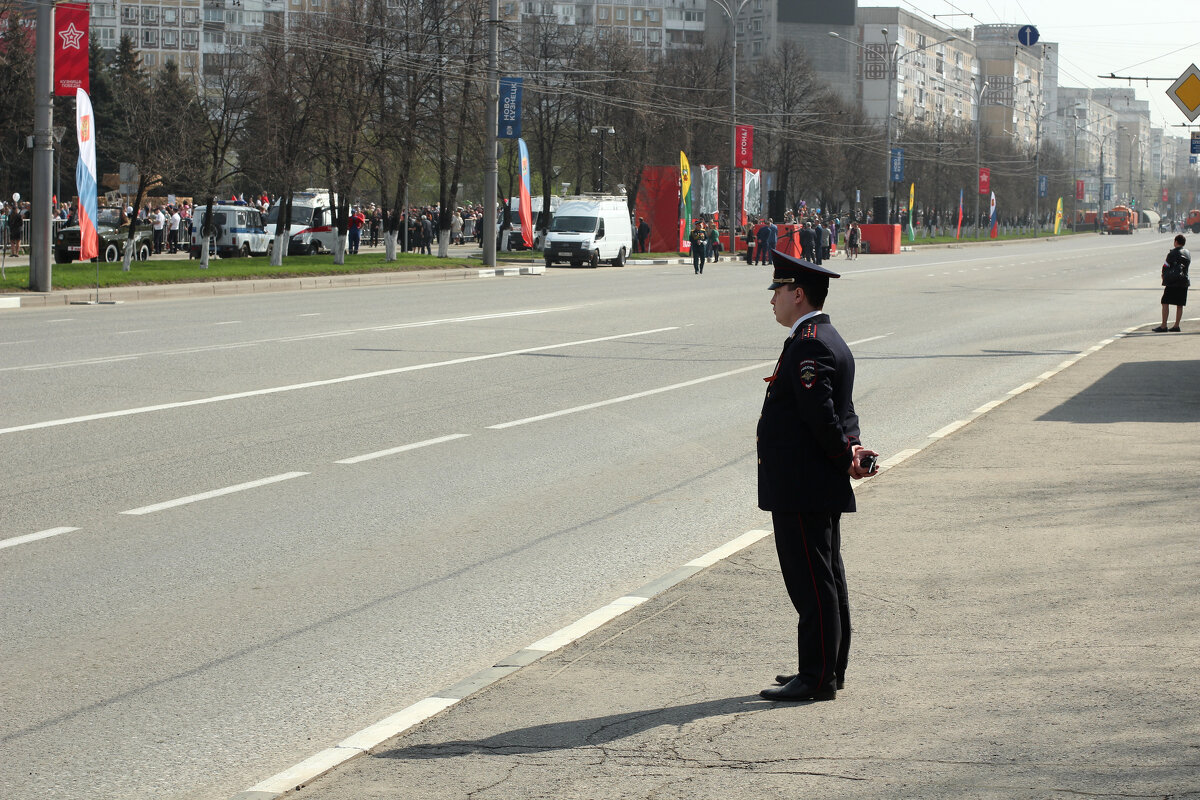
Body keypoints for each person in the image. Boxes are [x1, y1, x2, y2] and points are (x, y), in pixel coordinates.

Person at [757, 251, 878, 702]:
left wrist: (845, 453)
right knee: (826, 577)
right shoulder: (825, 337)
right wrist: (851, 449)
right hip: (813, 482)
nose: (772, 300)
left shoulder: (809, 342)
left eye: (778, 290)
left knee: (812, 583)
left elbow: (822, 416)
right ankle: (828, 667)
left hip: (802, 486)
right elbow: (843, 415)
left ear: (798, 294)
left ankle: (817, 676)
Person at [1154, 234, 1190, 332]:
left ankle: (1164, 326)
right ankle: (1176, 326)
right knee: (1180, 304)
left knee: (1165, 301)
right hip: (1184, 281)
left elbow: (1165, 266)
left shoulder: (1172, 253)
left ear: (1176, 242)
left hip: (1173, 282)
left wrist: (1164, 275)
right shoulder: (1187, 253)